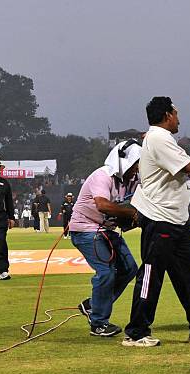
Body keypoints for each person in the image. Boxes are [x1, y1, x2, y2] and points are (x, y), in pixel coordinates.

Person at [123, 96, 190, 347]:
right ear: (167, 115)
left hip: (177, 221)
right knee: (151, 275)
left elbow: (188, 168)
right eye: (176, 113)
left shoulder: (163, 139)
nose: (179, 118)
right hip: (160, 219)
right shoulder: (159, 138)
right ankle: (136, 332)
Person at [69, 141, 141, 337]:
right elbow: (102, 205)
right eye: (136, 163)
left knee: (129, 269)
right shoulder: (102, 176)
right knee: (106, 272)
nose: (137, 168)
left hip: (106, 230)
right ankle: (99, 323)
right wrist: (132, 213)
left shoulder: (131, 180)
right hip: (85, 229)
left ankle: (92, 305)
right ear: (124, 161)